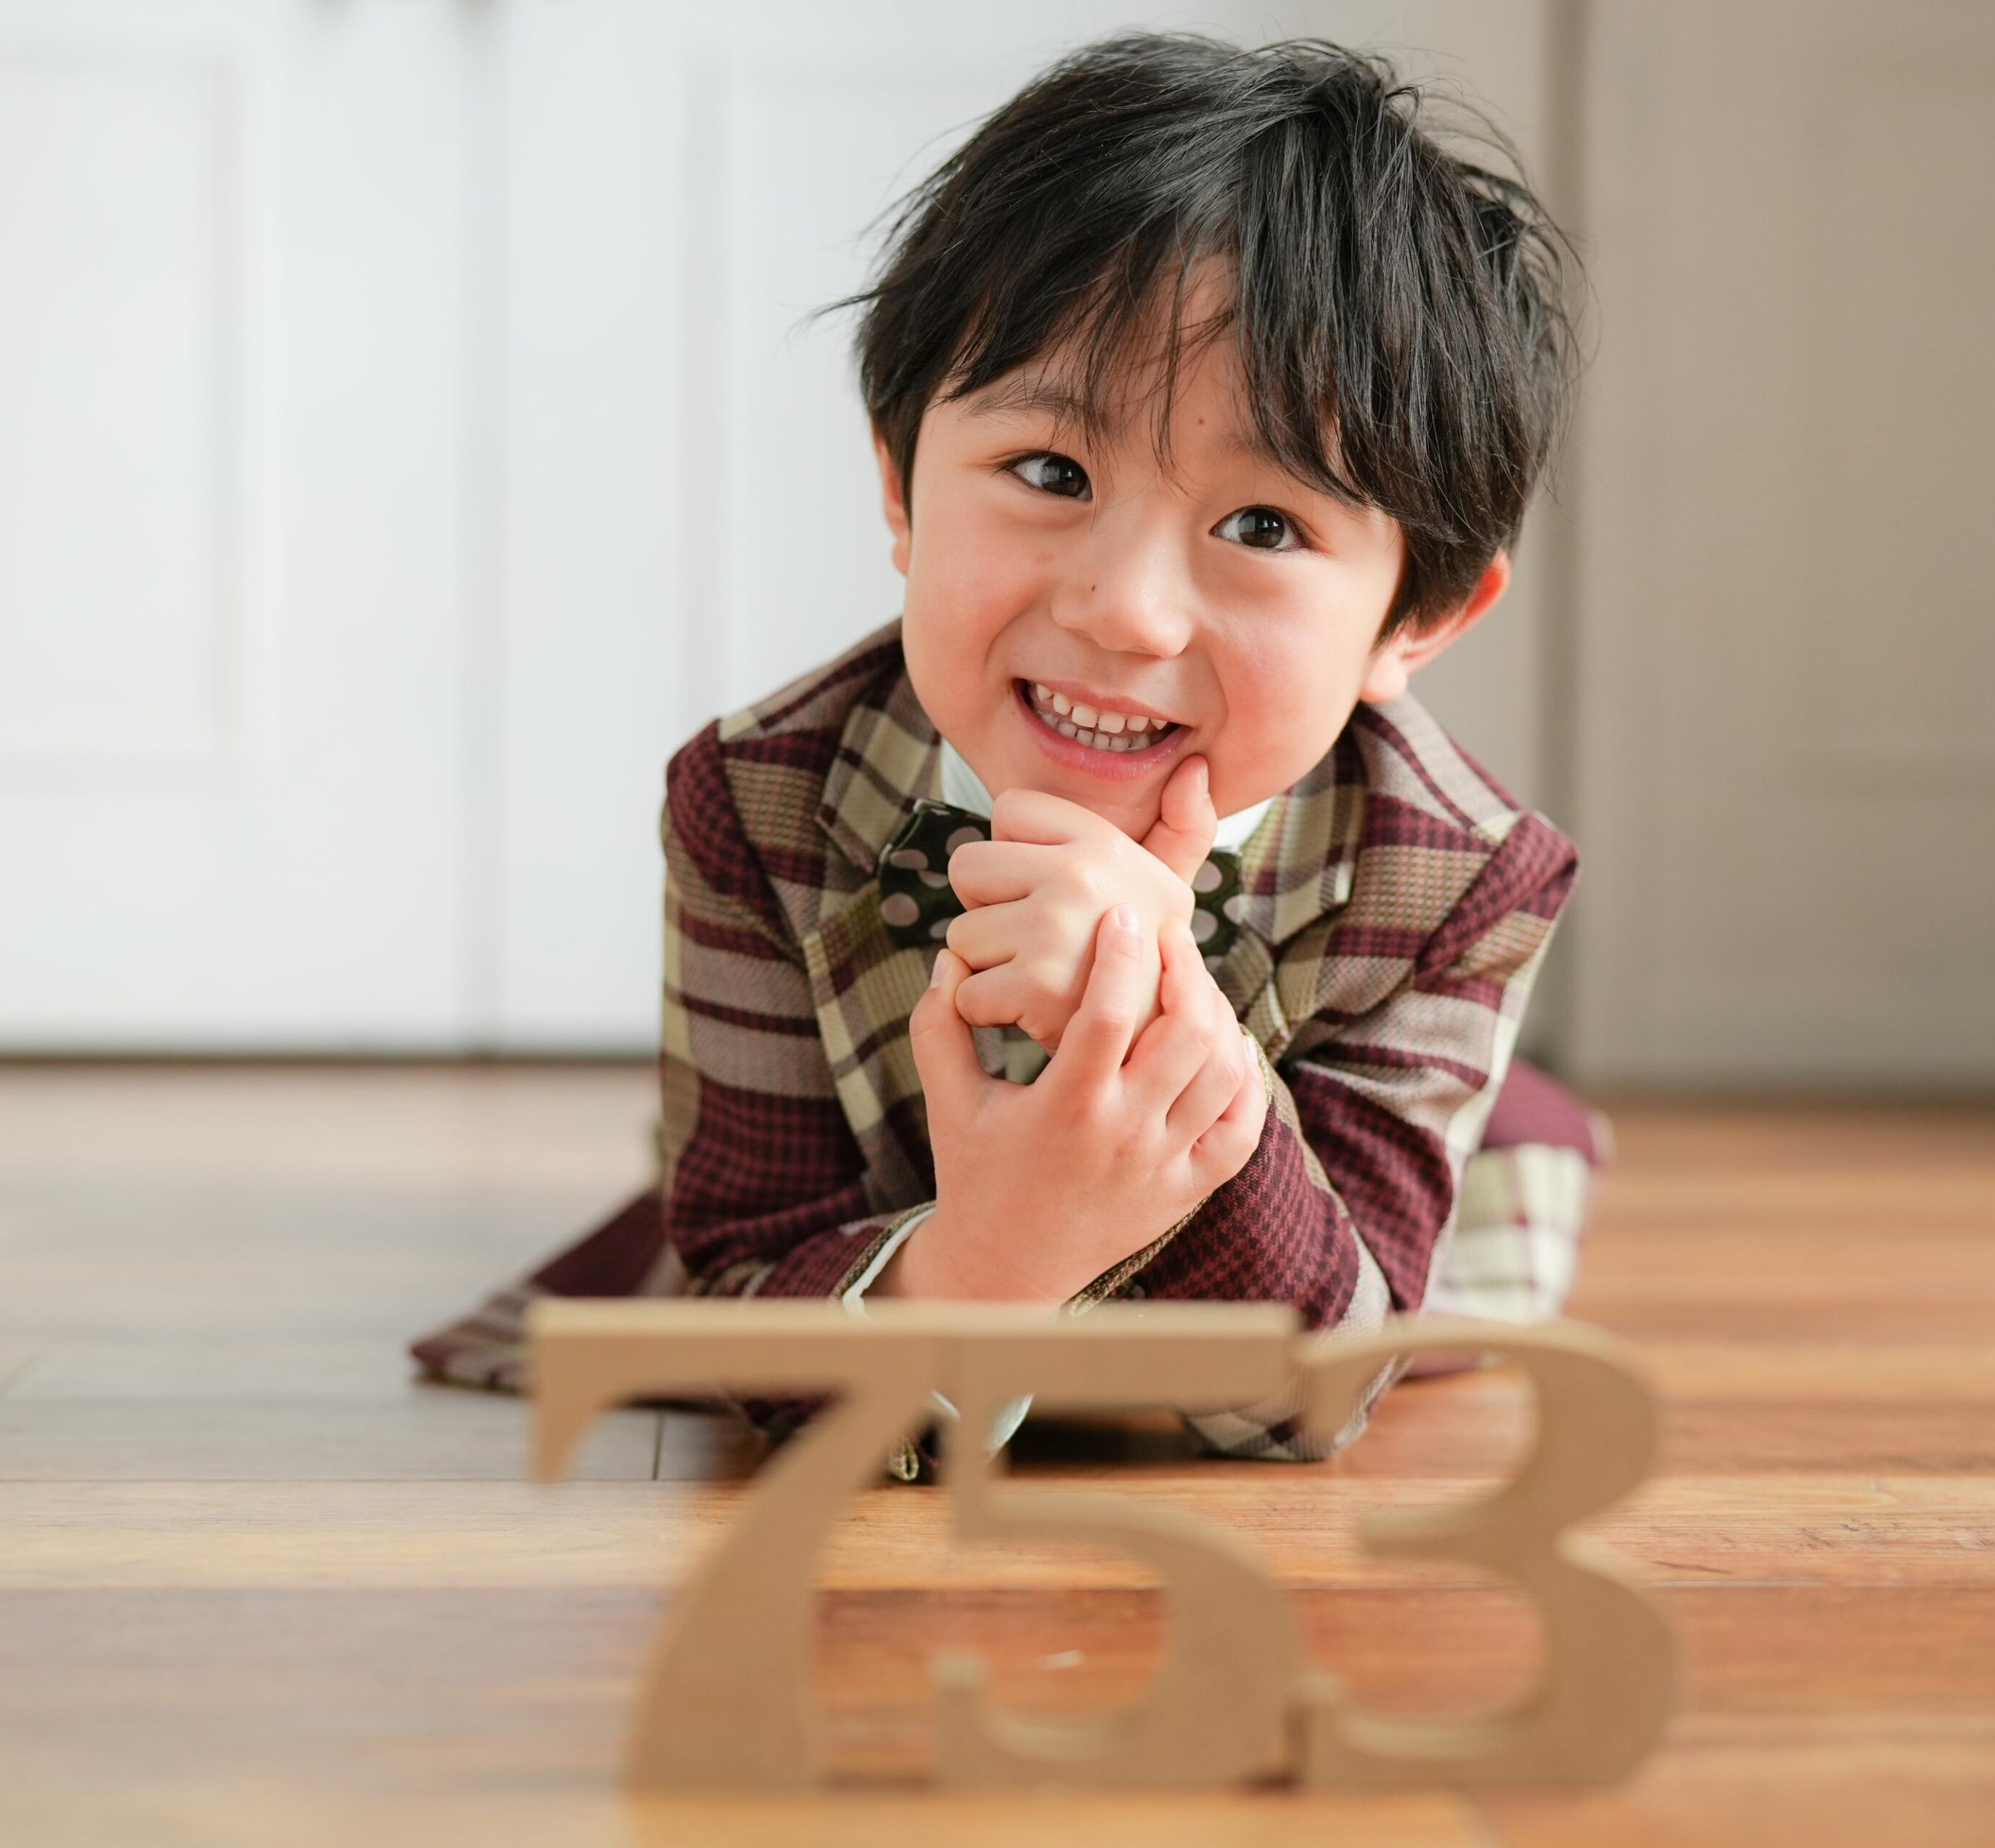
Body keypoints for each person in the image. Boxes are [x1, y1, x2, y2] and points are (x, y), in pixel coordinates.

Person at [414, 32, 1604, 1465]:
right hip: (885, 1216)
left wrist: (1170, 1030)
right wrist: (995, 1253)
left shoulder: (1462, 874)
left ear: (1418, 616)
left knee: (1480, 1248)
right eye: (1051, 473)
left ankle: (1508, 1112)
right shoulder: (758, 799)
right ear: (900, 485)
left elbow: (1313, 1384)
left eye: (1264, 526)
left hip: (1308, 1197)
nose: (1122, 607)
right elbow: (748, 1291)